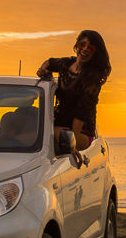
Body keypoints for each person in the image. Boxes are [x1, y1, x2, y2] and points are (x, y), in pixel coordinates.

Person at [37, 30, 111, 162]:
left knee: (49, 134)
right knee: (14, 118)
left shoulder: (92, 78)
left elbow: (81, 112)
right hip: (59, 121)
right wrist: (42, 68)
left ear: (96, 52)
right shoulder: (66, 64)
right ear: (77, 45)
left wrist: (72, 142)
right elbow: (49, 62)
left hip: (80, 130)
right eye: (82, 44)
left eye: (90, 47)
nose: (85, 49)